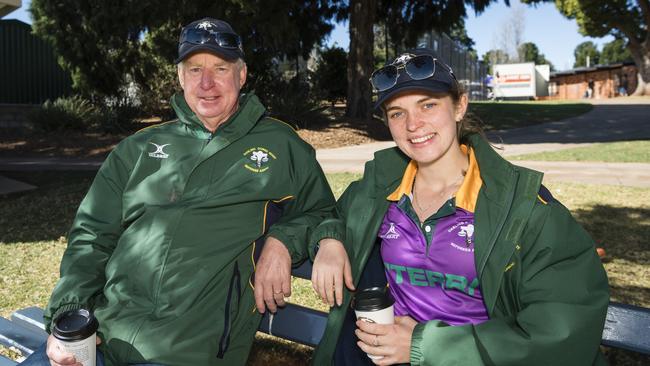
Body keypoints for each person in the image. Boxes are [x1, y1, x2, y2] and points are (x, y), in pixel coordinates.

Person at [20, 17, 335, 366]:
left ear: (241, 75)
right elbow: (91, 235)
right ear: (180, 77)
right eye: (195, 68)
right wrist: (69, 315)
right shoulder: (140, 146)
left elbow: (322, 211)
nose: (207, 83)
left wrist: (282, 241)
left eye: (220, 68)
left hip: (190, 351)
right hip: (100, 338)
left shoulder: (281, 145)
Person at [309, 48, 609, 365]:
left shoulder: (526, 208)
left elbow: (560, 332)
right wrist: (330, 240)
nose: (413, 124)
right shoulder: (380, 189)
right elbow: (333, 214)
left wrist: (423, 345)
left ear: (459, 106)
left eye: (428, 105)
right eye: (397, 113)